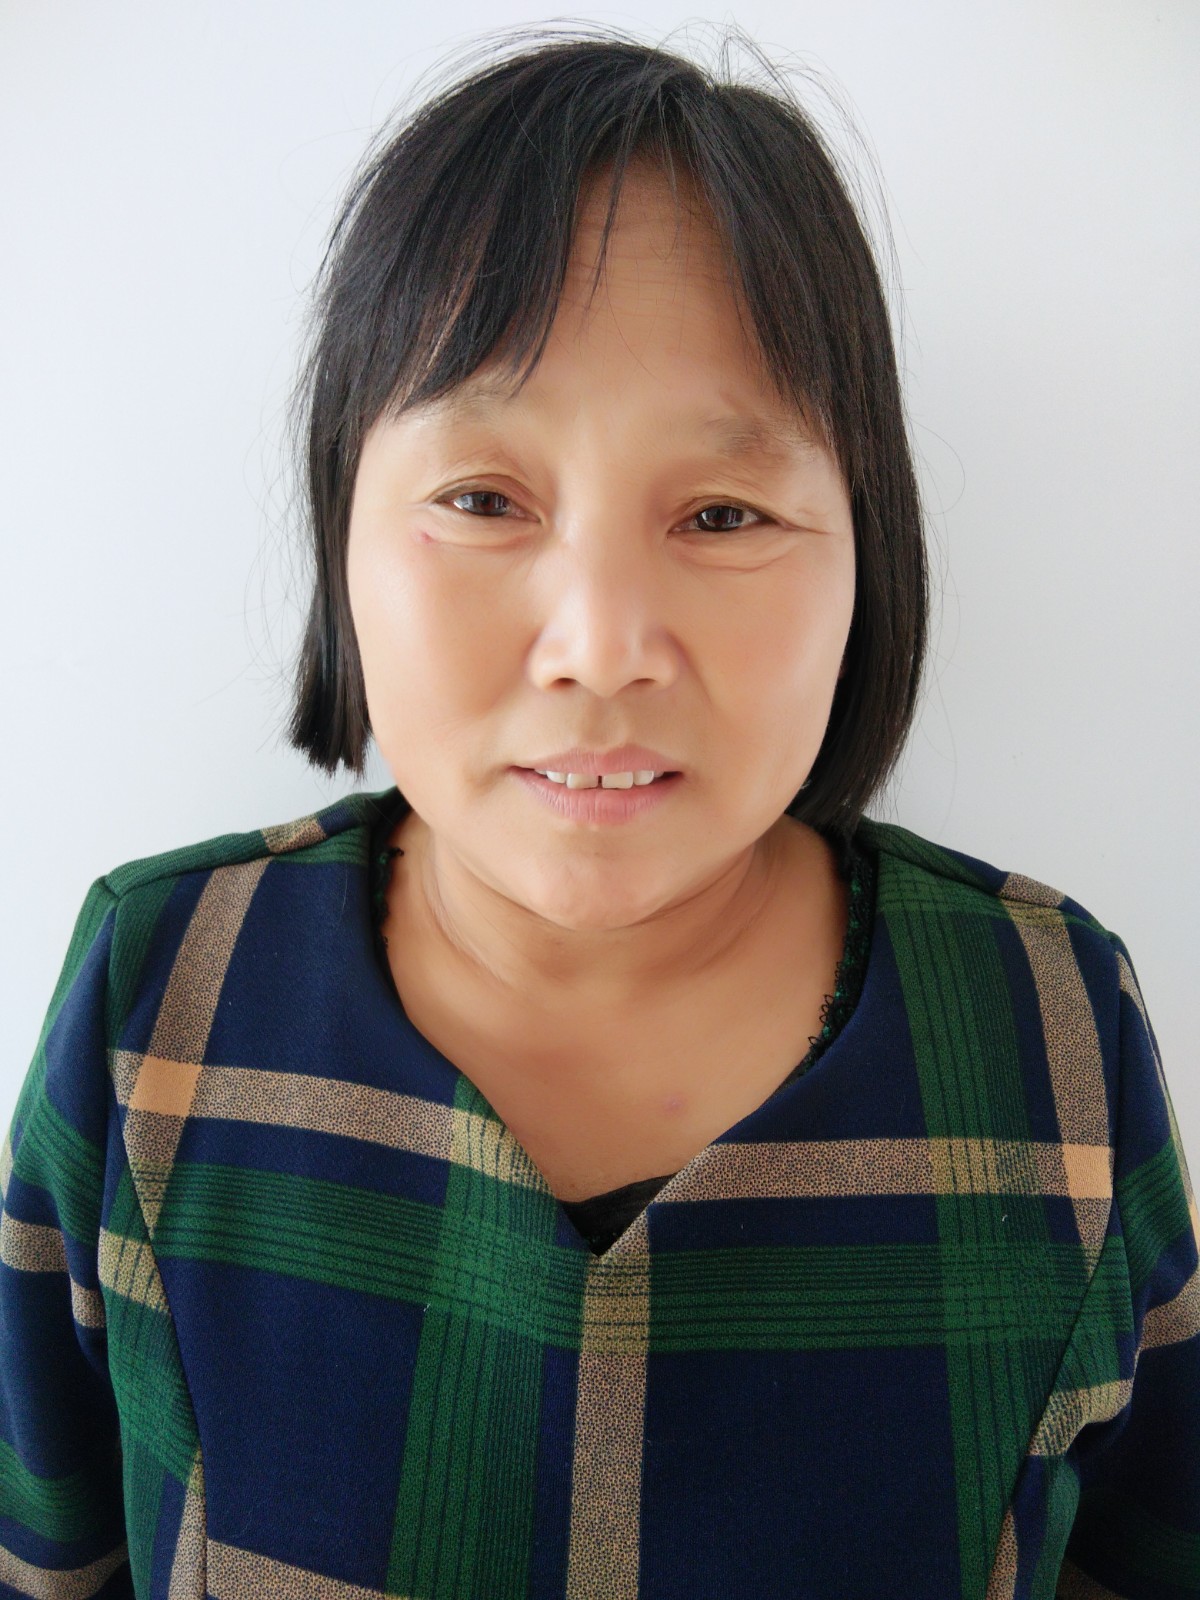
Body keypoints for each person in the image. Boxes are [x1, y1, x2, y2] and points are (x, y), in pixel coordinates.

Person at [1, 24, 1196, 1600]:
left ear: (869, 552)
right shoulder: (160, 994)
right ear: (342, 528)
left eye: (724, 513)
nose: (601, 647)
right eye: (483, 500)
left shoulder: (1049, 1029)